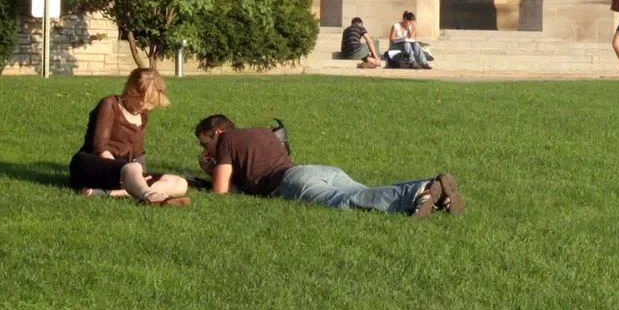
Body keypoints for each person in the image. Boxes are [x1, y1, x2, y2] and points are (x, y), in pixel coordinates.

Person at [193, 114, 464, 216]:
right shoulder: (262, 132)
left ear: (216, 133)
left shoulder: (227, 139)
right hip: (317, 171)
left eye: (205, 144)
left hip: (291, 181)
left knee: (348, 202)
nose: (206, 151)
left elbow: (221, 192)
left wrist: (210, 170)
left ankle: (420, 191)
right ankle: (434, 193)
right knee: (366, 192)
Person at [68, 67, 192, 206]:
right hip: (93, 165)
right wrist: (124, 170)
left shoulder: (142, 116)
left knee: (180, 183)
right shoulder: (110, 104)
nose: (148, 107)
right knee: (132, 168)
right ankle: (150, 196)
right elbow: (100, 148)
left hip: (127, 172)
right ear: (131, 90)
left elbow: (138, 153)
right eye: (145, 101)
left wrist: (141, 175)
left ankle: (111, 193)